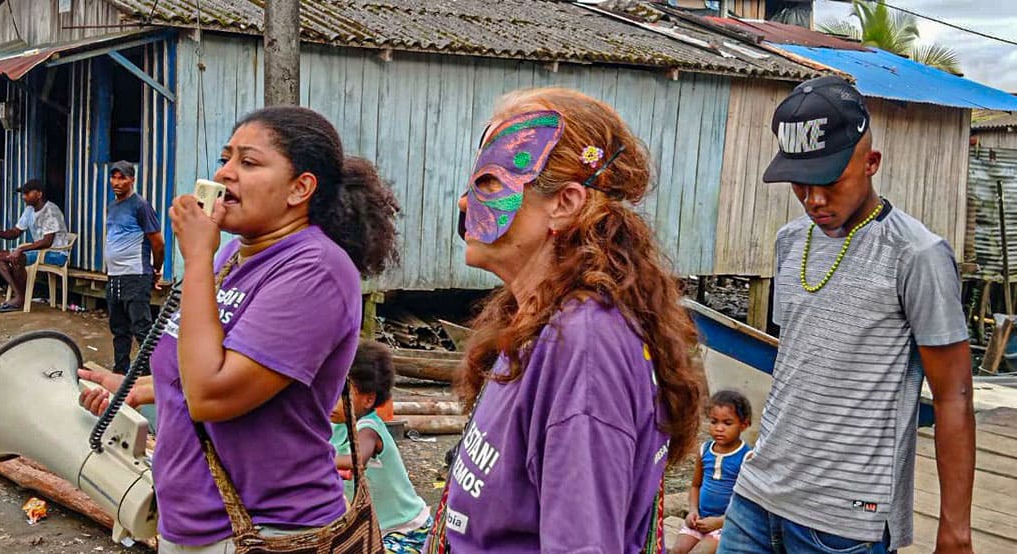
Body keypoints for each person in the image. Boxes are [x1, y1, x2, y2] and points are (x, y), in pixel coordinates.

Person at [78, 105, 399, 552]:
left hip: (267, 530)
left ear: (300, 188)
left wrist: (193, 261)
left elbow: (211, 394)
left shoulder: (315, 270)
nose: (226, 173)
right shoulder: (230, 257)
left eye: (248, 163)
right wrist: (131, 387)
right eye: (225, 158)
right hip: (193, 523)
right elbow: (196, 363)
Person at [437, 88, 706, 552]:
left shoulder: (584, 345)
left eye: (489, 183)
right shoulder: (534, 319)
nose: (465, 203)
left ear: (564, 202)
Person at [718, 76, 975, 554]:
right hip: (756, 496)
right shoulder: (790, 241)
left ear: (871, 162)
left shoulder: (916, 254)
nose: (814, 199)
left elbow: (954, 397)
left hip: (843, 521)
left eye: (830, 180)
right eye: (800, 183)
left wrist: (955, 530)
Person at [330, 340, 430, 554]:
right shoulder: (333, 424)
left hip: (406, 531)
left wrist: (308, 460)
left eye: (340, 393)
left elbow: (356, 461)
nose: (329, 400)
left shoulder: (369, 428)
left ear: (367, 400)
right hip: (371, 529)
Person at [673, 391, 754, 554]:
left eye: (727, 423)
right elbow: (696, 485)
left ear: (744, 425)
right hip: (699, 520)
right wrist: (693, 511)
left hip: (727, 525)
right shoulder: (705, 450)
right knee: (677, 550)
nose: (719, 428)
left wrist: (720, 522)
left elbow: (747, 502)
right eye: (714, 421)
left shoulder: (746, 457)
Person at [103, 161, 164, 374]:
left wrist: (156, 270)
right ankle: (120, 371)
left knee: (142, 328)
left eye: (122, 178)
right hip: (115, 276)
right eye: (114, 177)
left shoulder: (141, 206)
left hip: (136, 274)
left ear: (132, 180)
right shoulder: (112, 206)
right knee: (119, 328)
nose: (117, 182)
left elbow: (158, 243)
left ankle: (152, 376)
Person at [0, 179, 70, 313]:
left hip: (56, 254)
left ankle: (19, 299)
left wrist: (21, 249)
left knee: (17, 258)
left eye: (27, 193)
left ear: (39, 194)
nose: (24, 197)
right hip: (40, 252)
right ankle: (19, 295)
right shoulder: (29, 210)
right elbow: (15, 232)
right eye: (23, 194)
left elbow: (47, 242)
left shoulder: (51, 210)